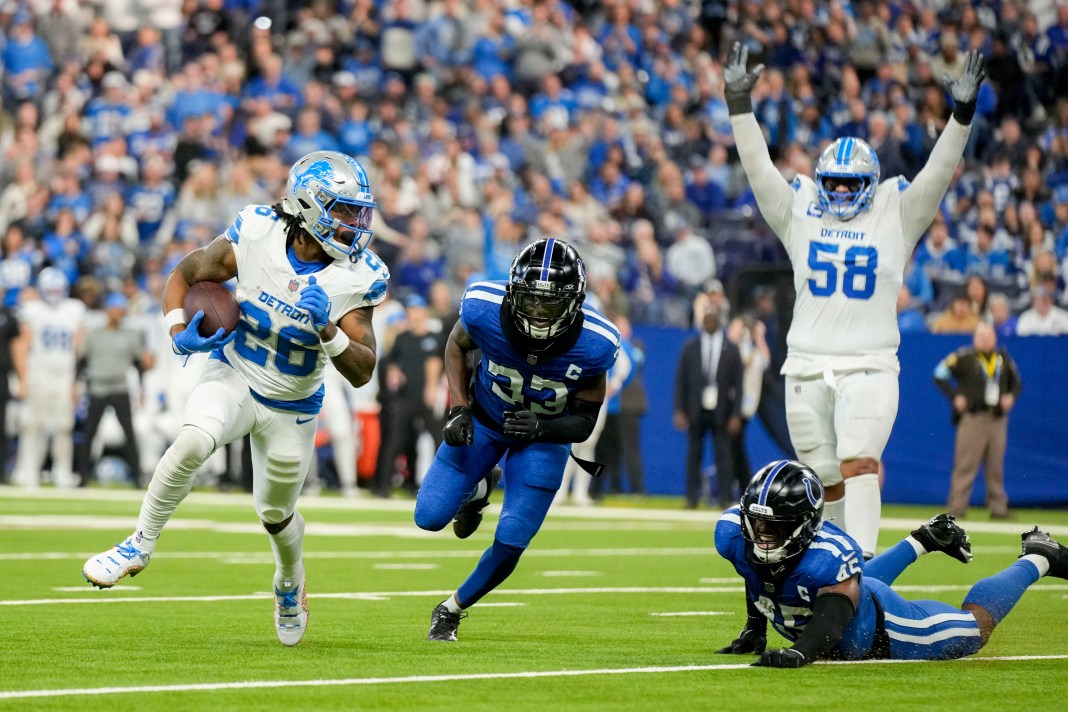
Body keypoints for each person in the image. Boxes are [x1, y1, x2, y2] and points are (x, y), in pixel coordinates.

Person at [82, 151, 388, 647]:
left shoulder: (356, 276)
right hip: (234, 373)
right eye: (343, 210)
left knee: (275, 514)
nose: (354, 224)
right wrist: (178, 331)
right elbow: (183, 274)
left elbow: (362, 368)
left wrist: (328, 330)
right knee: (192, 441)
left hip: (292, 404)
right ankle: (138, 544)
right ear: (308, 207)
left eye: (358, 213)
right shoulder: (256, 232)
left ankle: (290, 583)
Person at [724, 42, 986, 558]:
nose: (841, 193)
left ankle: (863, 564)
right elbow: (757, 168)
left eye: (851, 184)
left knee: (860, 460)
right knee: (825, 478)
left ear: (870, 183)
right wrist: (739, 105)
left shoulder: (897, 210)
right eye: (834, 183)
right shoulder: (799, 207)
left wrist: (961, 116)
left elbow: (939, 173)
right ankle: (842, 558)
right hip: (804, 363)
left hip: (867, 362)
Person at [414, 238, 619, 642]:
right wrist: (458, 407)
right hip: (488, 419)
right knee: (429, 516)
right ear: (512, 292)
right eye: (530, 301)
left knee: (511, 540)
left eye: (551, 303)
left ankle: (452, 609)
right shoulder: (483, 309)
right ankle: (478, 489)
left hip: (544, 439)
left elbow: (584, 422)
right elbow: (456, 345)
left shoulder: (595, 343)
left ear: (574, 302)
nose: (540, 313)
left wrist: (542, 429)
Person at [715, 460, 1068, 667]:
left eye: (776, 528)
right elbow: (756, 573)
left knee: (974, 630)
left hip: (884, 630)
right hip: (852, 598)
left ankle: (1039, 556)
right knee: (849, 582)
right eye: (758, 524)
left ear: (805, 524)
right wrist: (755, 628)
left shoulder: (828, 555)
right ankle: (925, 539)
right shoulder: (733, 535)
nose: (764, 536)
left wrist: (799, 652)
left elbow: (831, 621)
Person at [934, 323, 1022, 519]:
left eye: (988, 336)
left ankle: (998, 508)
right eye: (981, 336)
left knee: (995, 465)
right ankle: (957, 507)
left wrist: (1011, 397)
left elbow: (1017, 382)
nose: (984, 340)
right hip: (973, 417)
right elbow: (939, 374)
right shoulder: (964, 357)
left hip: (997, 418)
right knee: (965, 463)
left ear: (995, 338)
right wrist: (955, 395)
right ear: (975, 338)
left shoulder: (1003, 359)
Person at [11, 267, 85, 488]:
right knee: (33, 424)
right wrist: (23, 378)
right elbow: (22, 344)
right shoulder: (32, 309)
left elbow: (79, 347)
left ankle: (62, 472)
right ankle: (28, 471)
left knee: (64, 426)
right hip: (40, 371)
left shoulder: (74, 309)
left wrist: (76, 380)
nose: (53, 294)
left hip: (65, 373)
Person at [77, 292, 155, 487]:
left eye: (121, 308)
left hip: (120, 387)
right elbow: (82, 362)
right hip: (97, 387)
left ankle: (138, 476)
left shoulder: (130, 335)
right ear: (108, 310)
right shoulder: (94, 334)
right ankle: (82, 475)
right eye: (115, 308)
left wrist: (142, 390)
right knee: (89, 433)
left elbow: (138, 365)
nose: (118, 312)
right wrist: (76, 386)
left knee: (129, 432)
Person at [674, 300, 744, 509]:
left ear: (720, 320)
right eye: (707, 316)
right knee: (694, 454)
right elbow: (681, 381)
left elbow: (739, 385)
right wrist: (679, 409)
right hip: (695, 408)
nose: (710, 321)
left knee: (723, 455)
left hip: (722, 409)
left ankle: (724, 497)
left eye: (713, 317)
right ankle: (691, 497)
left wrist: (736, 414)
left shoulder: (731, 349)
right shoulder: (690, 347)